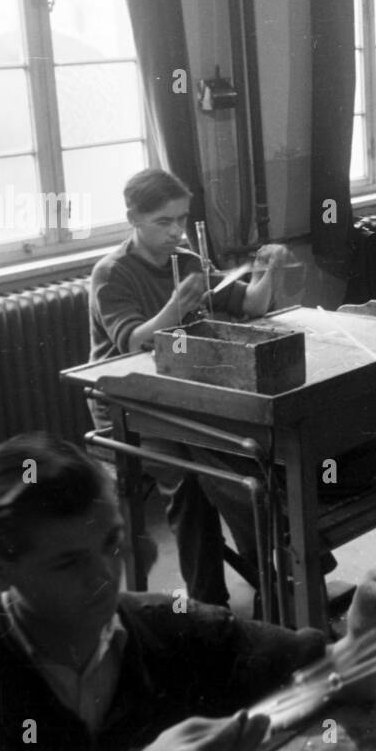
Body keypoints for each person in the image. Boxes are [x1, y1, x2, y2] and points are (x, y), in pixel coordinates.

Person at [0, 433, 376, 751]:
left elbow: (337, 680)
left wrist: (366, 628)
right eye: (68, 563)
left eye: (111, 543)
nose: (102, 576)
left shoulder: (171, 630)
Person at [89, 168, 296, 606]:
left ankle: (275, 570)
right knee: (190, 480)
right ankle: (210, 602)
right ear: (133, 218)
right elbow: (132, 341)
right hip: (127, 402)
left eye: (181, 219)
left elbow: (251, 305)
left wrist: (268, 269)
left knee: (247, 454)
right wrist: (175, 305)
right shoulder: (112, 273)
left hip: (182, 389)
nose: (175, 231)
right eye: (163, 222)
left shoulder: (186, 259)